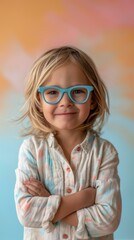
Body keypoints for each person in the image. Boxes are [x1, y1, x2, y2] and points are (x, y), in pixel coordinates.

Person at [14, 46, 121, 240]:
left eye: (78, 91)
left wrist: (49, 203)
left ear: (93, 99)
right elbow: (26, 212)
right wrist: (83, 198)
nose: (65, 101)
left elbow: (108, 220)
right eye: (53, 92)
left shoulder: (105, 152)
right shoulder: (30, 150)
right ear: (39, 100)